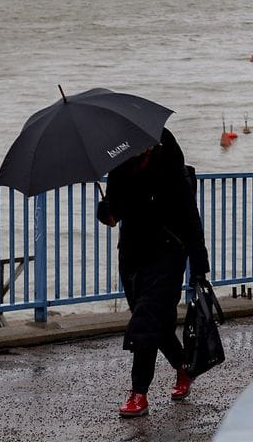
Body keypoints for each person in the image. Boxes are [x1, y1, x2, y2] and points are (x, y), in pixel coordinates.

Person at [96, 127, 209, 418]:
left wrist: (199, 265)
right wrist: (105, 211)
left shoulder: (168, 154)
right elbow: (115, 211)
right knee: (155, 325)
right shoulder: (119, 161)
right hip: (132, 255)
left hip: (168, 252)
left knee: (145, 319)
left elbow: (189, 213)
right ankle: (184, 367)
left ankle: (139, 393)